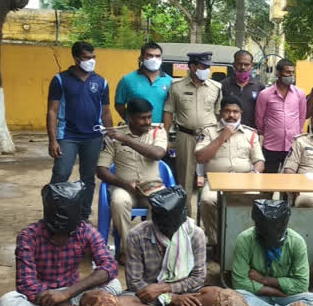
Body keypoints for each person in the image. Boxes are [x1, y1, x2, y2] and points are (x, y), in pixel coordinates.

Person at [0, 182, 121, 306]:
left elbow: (109, 266)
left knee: (115, 285)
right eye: (55, 234)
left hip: (73, 293)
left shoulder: (86, 231)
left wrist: (67, 293)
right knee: (7, 304)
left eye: (67, 234)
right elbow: (26, 285)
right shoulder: (28, 236)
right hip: (42, 297)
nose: (60, 240)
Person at [119, 186, 220, 306]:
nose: (168, 230)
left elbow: (198, 277)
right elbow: (134, 282)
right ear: (154, 219)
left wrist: (167, 289)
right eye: (164, 226)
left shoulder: (196, 234)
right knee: (122, 303)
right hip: (149, 298)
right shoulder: (136, 235)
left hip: (187, 294)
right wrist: (172, 298)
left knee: (217, 295)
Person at [47, 41, 113, 220]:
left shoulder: (101, 82)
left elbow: (106, 111)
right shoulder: (60, 80)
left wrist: (110, 135)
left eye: (93, 57)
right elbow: (52, 111)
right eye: (86, 58)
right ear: (76, 59)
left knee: (88, 177)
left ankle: (83, 216)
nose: (91, 61)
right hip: (67, 135)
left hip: (93, 136)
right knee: (61, 173)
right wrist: (53, 140)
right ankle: (55, 214)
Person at [96, 98, 167, 262]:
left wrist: (126, 139)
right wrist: (124, 184)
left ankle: (150, 248)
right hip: (124, 187)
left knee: (161, 203)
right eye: (142, 118)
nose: (147, 122)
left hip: (152, 187)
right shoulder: (113, 136)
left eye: (149, 117)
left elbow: (157, 154)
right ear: (130, 118)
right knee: (119, 201)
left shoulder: (157, 131)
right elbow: (101, 170)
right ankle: (129, 249)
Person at [232, 200, 313, 306]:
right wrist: (274, 291)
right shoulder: (245, 240)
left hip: (287, 297)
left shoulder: (296, 242)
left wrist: (264, 280)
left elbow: (302, 284)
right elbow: (240, 283)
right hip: (259, 296)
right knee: (238, 294)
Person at [195, 96, 265, 244]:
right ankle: (216, 242)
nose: (231, 115)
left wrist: (255, 173)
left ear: (241, 113)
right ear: (220, 113)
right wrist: (222, 137)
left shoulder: (250, 134)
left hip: (243, 181)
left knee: (259, 200)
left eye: (235, 112)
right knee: (208, 200)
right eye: (227, 111)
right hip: (215, 182)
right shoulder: (208, 132)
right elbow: (200, 157)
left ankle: (245, 241)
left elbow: (259, 161)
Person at [163, 52, 222, 214]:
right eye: (203, 67)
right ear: (192, 67)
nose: (207, 70)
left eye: (208, 67)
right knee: (185, 181)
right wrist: (165, 137)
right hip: (185, 137)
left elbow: (218, 115)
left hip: (209, 138)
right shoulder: (176, 87)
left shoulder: (216, 88)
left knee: (212, 179)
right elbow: (168, 112)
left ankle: (211, 221)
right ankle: (186, 220)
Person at [254, 59, 307, 173]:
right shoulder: (265, 94)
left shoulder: (299, 94)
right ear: (278, 73)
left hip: (292, 146)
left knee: (290, 183)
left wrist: (296, 132)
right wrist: (271, 132)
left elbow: (302, 117)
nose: (291, 75)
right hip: (271, 145)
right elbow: (259, 119)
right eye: (287, 72)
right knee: (268, 181)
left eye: (293, 72)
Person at [115, 42, 172, 123]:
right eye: (150, 55)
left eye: (157, 56)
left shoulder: (170, 81)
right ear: (141, 58)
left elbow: (171, 110)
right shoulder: (127, 80)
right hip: (135, 130)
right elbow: (119, 105)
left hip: (158, 131)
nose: (154, 59)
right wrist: (131, 121)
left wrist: (165, 131)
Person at [221, 50, 265, 127]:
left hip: (251, 133)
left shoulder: (259, 86)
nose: (243, 67)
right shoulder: (223, 85)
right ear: (234, 64)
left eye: (246, 64)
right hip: (228, 131)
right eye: (239, 64)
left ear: (251, 66)